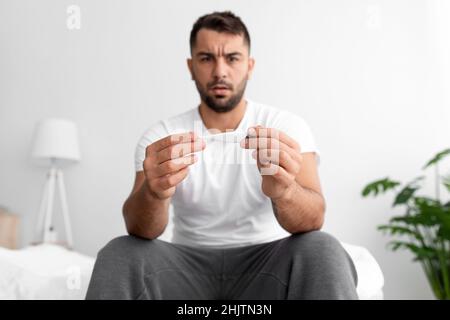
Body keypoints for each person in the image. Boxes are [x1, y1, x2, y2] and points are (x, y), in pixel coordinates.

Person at [86, 11, 358, 300]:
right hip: (183, 271)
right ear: (191, 67)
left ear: (249, 66)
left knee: (323, 248)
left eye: (232, 58)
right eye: (206, 58)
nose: (220, 71)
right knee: (119, 252)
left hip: (267, 270)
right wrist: (155, 193)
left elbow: (313, 219)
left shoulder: (285, 128)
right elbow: (138, 228)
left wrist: (285, 191)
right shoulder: (162, 137)